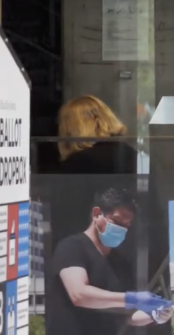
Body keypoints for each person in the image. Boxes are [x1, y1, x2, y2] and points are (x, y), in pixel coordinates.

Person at [45, 188, 173, 335]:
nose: (122, 230)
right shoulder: (72, 248)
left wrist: (155, 314)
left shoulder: (119, 263)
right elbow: (79, 294)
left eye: (127, 225)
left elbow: (127, 316)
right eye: (117, 222)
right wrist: (133, 298)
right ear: (97, 214)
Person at [50, 95, 138, 250]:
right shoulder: (131, 155)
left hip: (89, 253)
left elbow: (66, 218)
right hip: (133, 248)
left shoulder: (76, 163)